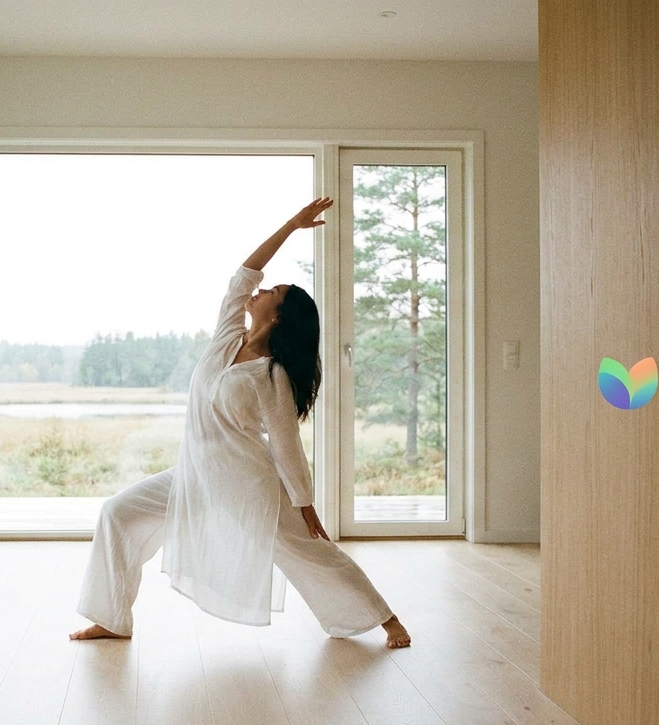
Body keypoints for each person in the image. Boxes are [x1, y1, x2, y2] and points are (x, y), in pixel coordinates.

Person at [69, 197, 411, 649]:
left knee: (309, 552)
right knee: (116, 512)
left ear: (278, 315)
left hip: (248, 485)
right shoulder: (226, 338)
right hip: (194, 475)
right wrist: (291, 226)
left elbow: (287, 445)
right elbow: (243, 276)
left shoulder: (274, 375)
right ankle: (112, 618)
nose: (262, 290)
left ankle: (387, 619)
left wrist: (304, 505)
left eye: (273, 292)